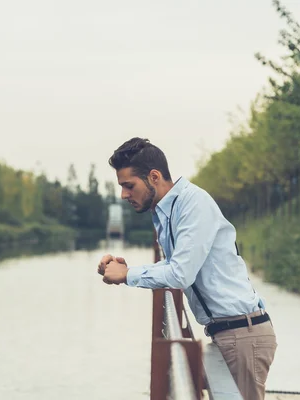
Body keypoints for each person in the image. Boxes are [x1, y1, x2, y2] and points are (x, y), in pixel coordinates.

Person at [97, 137, 277, 400]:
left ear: (154, 176)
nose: (124, 195)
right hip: (230, 333)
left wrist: (127, 275)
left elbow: (181, 273)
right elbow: (175, 263)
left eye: (128, 186)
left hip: (242, 335)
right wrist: (130, 268)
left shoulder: (193, 204)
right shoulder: (167, 210)